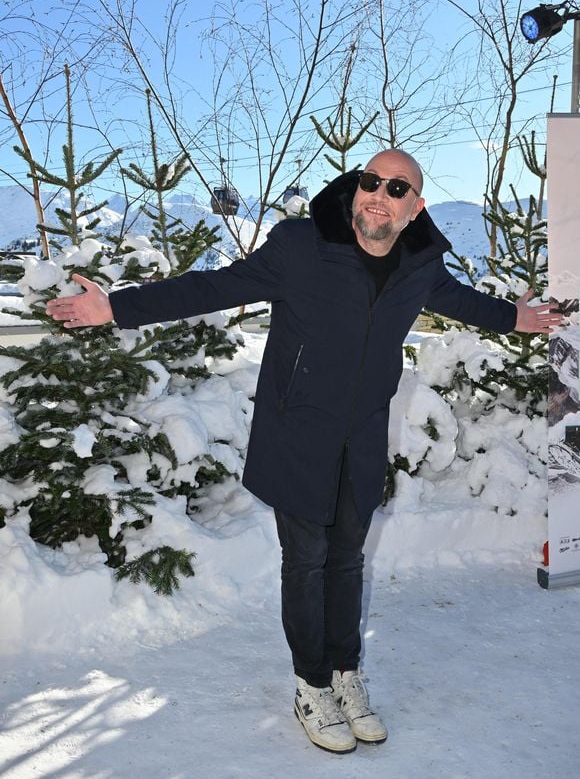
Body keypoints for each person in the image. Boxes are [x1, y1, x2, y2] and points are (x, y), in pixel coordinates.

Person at [46, 150, 560, 755]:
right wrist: (115, 306)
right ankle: (312, 684)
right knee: (307, 560)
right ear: (356, 187)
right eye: (370, 181)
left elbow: (466, 303)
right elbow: (213, 286)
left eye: (397, 188)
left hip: (363, 436)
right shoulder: (300, 246)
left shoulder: (420, 263)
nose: (379, 194)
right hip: (297, 434)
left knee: (347, 560)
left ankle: (345, 673)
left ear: (413, 207)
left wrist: (520, 318)